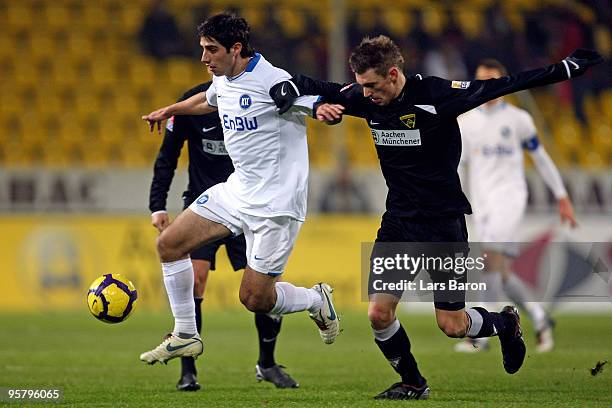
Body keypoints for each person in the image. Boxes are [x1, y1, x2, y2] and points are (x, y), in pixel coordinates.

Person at [271, 36, 601, 399]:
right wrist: (292, 92)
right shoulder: (363, 97)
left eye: (372, 86)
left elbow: (505, 84)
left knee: (453, 325)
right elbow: (312, 85)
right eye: (360, 85)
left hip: (443, 223)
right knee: (379, 314)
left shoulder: (438, 95)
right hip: (398, 222)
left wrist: (565, 69)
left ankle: (506, 324)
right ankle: (413, 382)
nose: (364, 95)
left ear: (393, 74)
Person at [139, 13, 340, 371]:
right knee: (168, 244)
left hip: (276, 206)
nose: (204, 58)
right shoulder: (223, 78)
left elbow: (290, 98)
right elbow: (208, 100)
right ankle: (186, 333)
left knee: (254, 298)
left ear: (235, 49)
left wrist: (317, 107)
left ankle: (315, 299)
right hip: (237, 192)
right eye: (202, 49)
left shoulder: (271, 78)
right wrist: (170, 109)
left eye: (211, 50)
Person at [149, 81, 299, 390]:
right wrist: (157, 206)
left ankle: (267, 364)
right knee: (196, 278)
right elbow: (168, 156)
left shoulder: (253, 101)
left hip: (248, 206)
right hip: (205, 208)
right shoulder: (190, 104)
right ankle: (187, 371)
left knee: (264, 290)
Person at [454, 59, 578, 354]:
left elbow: (541, 157)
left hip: (510, 198)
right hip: (481, 203)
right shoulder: (465, 121)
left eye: (492, 81)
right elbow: (457, 165)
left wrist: (561, 195)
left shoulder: (518, 119)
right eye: (480, 81)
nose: (486, 87)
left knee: (490, 261)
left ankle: (482, 336)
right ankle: (540, 318)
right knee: (502, 272)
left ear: (504, 83)